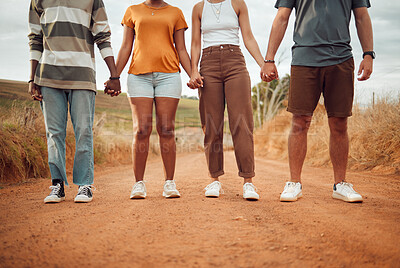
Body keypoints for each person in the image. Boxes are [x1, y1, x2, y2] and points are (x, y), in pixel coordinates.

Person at [260, 0, 374, 202]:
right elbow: (282, 17)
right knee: (299, 122)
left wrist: (368, 54)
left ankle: (340, 184)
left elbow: (362, 16)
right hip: (305, 59)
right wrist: (269, 59)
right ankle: (294, 183)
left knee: (339, 123)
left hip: (341, 58)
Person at [28, 0, 121, 203]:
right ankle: (57, 185)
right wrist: (32, 78)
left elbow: (103, 36)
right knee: (54, 133)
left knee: (84, 132)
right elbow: (36, 39)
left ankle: (84, 185)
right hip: (48, 76)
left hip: (83, 76)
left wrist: (115, 75)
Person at [107, 0, 192, 199]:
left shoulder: (176, 12)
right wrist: (114, 76)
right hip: (138, 76)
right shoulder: (132, 11)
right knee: (142, 129)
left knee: (166, 129)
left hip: (169, 75)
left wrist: (193, 74)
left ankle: (169, 183)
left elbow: (181, 49)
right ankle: (138, 184)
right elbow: (126, 46)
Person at [189, 0, 264, 200]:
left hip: (235, 62)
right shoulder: (198, 8)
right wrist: (193, 70)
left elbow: (248, 37)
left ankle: (248, 182)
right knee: (212, 124)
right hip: (208, 63)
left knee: (242, 122)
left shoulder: (238, 4)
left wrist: (263, 63)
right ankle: (214, 180)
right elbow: (195, 43)